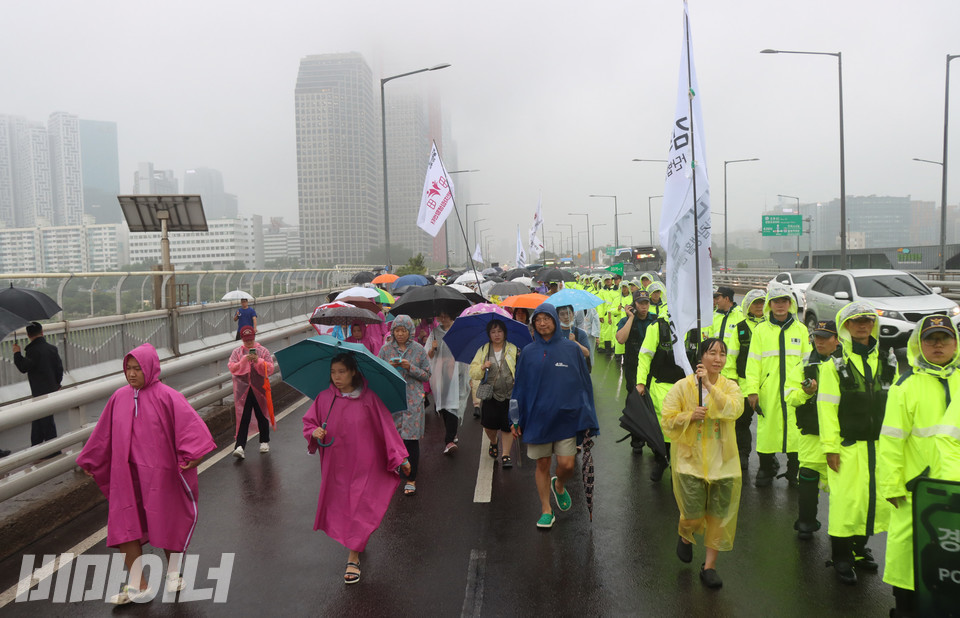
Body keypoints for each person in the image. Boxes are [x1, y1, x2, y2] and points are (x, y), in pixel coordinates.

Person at [76, 343, 216, 604]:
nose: (131, 374)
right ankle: (138, 585)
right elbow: (103, 433)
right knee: (124, 525)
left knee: (165, 520)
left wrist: (193, 455)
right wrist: (91, 459)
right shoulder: (119, 397)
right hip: (125, 476)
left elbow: (191, 428)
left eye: (137, 368)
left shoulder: (168, 396)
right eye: (128, 368)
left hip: (160, 475)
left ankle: (173, 572)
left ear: (150, 368)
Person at [302, 352, 410, 584]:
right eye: (333, 372)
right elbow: (309, 422)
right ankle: (357, 541)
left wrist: (401, 457)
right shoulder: (324, 399)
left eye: (342, 372)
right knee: (345, 507)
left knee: (359, 505)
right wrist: (314, 432)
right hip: (337, 466)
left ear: (353, 372)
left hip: (366, 465)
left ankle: (353, 557)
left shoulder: (369, 399)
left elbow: (386, 428)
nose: (337, 377)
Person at [879, 315, 960, 615]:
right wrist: (892, 485)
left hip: (956, 491)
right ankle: (905, 609)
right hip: (917, 492)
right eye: (930, 339)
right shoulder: (905, 386)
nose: (938, 345)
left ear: (955, 343)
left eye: (944, 339)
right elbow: (891, 441)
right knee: (907, 556)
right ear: (919, 344)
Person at [817, 301, 892, 585]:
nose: (863, 325)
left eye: (868, 320)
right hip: (848, 447)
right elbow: (826, 409)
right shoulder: (834, 366)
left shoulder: (887, 360)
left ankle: (860, 550)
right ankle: (842, 556)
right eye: (856, 320)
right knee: (846, 503)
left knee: (871, 500)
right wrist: (830, 447)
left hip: (879, 447)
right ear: (846, 326)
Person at [662, 338, 744, 589]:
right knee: (693, 514)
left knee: (719, 516)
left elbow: (734, 410)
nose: (718, 359)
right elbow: (667, 419)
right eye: (712, 353)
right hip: (690, 462)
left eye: (722, 354)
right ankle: (686, 535)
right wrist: (689, 416)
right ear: (701, 357)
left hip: (724, 464)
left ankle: (709, 566)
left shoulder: (730, 386)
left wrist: (710, 385)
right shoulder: (682, 387)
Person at [511, 304, 598, 529]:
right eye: (538, 319)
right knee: (542, 463)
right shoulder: (528, 352)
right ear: (533, 324)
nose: (542, 323)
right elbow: (519, 387)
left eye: (546, 318)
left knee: (568, 465)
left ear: (555, 321)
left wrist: (589, 416)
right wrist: (514, 418)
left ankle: (558, 484)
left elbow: (584, 384)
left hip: (566, 418)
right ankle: (546, 510)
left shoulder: (572, 349)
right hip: (538, 419)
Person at [744, 284, 810, 487]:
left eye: (784, 301)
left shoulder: (801, 329)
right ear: (769, 305)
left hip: (794, 391)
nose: (780, 305)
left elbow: (808, 362)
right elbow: (753, 363)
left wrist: (808, 388)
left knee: (795, 430)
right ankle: (765, 468)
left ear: (790, 304)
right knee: (767, 430)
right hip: (768, 390)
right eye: (776, 301)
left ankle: (793, 470)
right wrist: (752, 390)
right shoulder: (760, 330)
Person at [785, 319, 840, 540]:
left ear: (837, 339)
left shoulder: (846, 363)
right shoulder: (806, 364)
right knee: (807, 477)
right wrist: (806, 393)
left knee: (842, 487)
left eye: (825, 337)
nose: (819, 341)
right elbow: (789, 395)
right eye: (816, 337)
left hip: (839, 436)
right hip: (811, 433)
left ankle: (842, 535)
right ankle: (806, 522)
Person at [378, 315, 431, 495]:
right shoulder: (385, 350)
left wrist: (410, 368)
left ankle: (411, 478)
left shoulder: (419, 350)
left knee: (411, 440)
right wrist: (390, 369)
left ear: (410, 331)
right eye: (397, 330)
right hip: (392, 399)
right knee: (394, 439)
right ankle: (395, 472)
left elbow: (426, 374)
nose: (400, 334)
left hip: (413, 400)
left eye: (403, 330)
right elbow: (378, 373)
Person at [637, 312, 687, 480]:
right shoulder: (658, 326)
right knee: (661, 428)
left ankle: (679, 467)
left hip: (688, 387)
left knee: (686, 427)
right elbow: (645, 356)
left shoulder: (697, 324)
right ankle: (661, 460)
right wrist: (641, 382)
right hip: (661, 386)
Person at [470, 319, 519, 467]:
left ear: (504, 333)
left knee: (507, 425)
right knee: (488, 426)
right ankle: (494, 442)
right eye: (493, 332)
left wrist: (518, 379)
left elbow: (521, 366)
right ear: (489, 334)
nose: (497, 334)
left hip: (509, 394)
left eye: (499, 331)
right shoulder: (484, 350)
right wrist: (482, 367)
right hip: (491, 394)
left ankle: (505, 455)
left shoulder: (513, 349)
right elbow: (473, 371)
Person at [426, 311, 471, 454]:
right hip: (441, 373)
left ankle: (449, 440)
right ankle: (452, 433)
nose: (443, 318)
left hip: (457, 371)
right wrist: (432, 348)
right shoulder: (434, 332)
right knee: (444, 404)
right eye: (440, 315)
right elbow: (428, 355)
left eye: (446, 314)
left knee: (453, 403)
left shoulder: (459, 330)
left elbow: (466, 350)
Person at [228, 325, 276, 459]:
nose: (249, 342)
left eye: (251, 339)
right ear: (242, 339)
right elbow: (232, 367)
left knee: (262, 414)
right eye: (246, 340)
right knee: (244, 417)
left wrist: (258, 361)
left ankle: (264, 441)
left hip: (260, 389)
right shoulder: (237, 353)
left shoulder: (262, 351)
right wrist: (244, 361)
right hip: (243, 391)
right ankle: (240, 446)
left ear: (254, 338)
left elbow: (270, 368)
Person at [13, 321, 63, 445]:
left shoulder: (32, 351)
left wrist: (17, 353)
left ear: (28, 335)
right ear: (42, 332)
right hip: (52, 387)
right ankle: (36, 446)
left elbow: (24, 367)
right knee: (39, 418)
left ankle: (53, 451)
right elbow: (59, 369)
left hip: (39, 390)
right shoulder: (52, 348)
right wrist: (57, 384)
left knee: (45, 420)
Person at [732, 288, 767, 467]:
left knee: (768, 425)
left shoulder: (771, 326)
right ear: (748, 306)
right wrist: (732, 381)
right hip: (744, 385)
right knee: (742, 422)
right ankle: (743, 454)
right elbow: (731, 357)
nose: (759, 306)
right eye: (755, 303)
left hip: (768, 385)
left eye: (762, 302)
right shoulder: (740, 329)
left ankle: (768, 460)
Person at [617, 290, 656, 399]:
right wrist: (631, 317)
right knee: (634, 398)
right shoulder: (626, 320)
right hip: (633, 366)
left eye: (646, 303)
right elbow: (620, 339)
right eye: (640, 303)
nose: (644, 306)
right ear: (634, 304)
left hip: (651, 366)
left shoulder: (655, 320)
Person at [705, 287, 743, 383]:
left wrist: (733, 374)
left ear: (726, 299)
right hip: (715, 369)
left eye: (718, 298)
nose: (716, 301)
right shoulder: (714, 317)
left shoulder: (741, 316)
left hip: (734, 372)